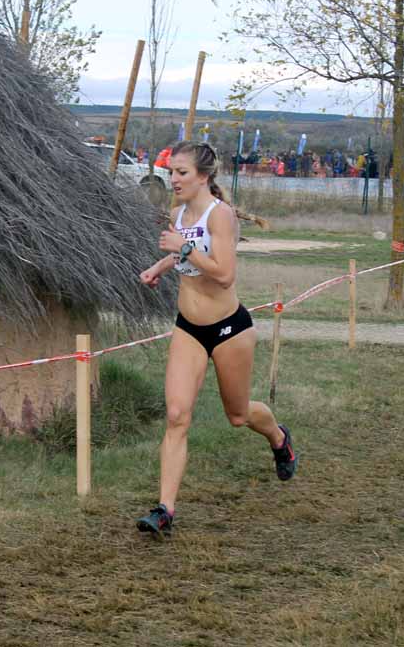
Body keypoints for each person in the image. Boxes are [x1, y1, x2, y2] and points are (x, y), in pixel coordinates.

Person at [135, 141, 299, 537]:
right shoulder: (178, 214)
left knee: (238, 416)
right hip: (188, 328)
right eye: (171, 171)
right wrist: (159, 265)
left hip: (229, 328)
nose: (173, 179)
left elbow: (224, 274)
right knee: (176, 416)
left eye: (182, 172)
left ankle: (279, 438)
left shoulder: (220, 216)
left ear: (203, 177)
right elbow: (182, 257)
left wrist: (183, 248)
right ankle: (164, 510)